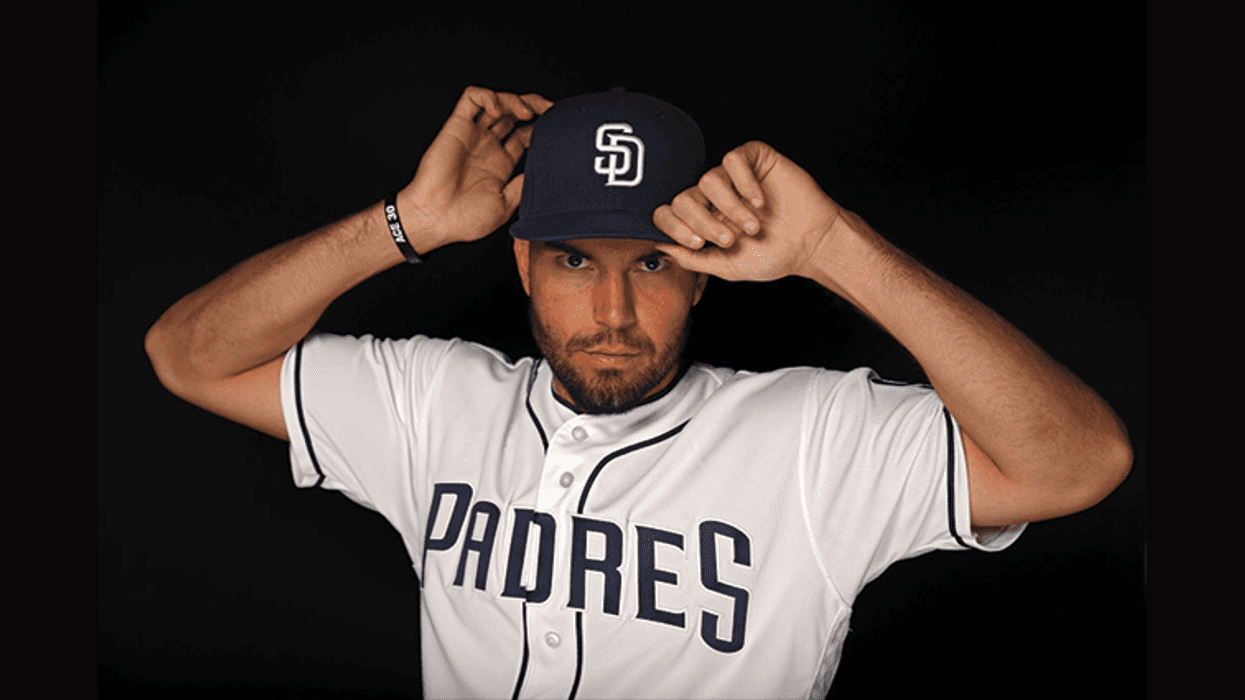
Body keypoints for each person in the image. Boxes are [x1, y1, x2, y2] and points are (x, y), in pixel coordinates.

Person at [144, 86, 1132, 699]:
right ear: (523, 264)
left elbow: (1080, 461)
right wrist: (406, 222)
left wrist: (832, 247)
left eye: (651, 263)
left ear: (704, 271)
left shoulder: (814, 439)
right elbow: (189, 354)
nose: (613, 308)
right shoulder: (430, 406)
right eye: (576, 258)